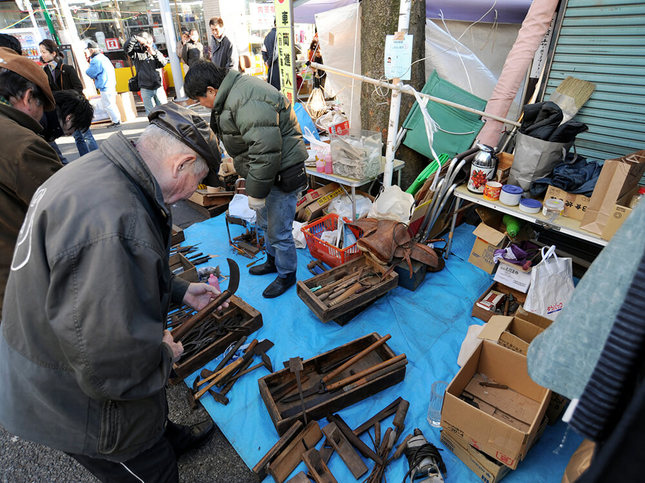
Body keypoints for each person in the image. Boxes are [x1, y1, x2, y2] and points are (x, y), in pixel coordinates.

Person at [0, 103, 223, 482]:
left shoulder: (101, 170)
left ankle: (164, 437)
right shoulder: (115, 223)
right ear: (181, 164)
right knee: (152, 471)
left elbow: (117, 277)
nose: (191, 194)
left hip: (53, 351)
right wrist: (161, 355)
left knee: (151, 433)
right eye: (196, 183)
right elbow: (110, 364)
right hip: (72, 398)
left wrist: (179, 290)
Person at [185, 62, 307, 298]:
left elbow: (265, 150)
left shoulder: (247, 98)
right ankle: (273, 261)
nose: (202, 105)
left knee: (279, 230)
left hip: (281, 170)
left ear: (211, 90)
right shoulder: (232, 95)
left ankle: (287, 275)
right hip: (265, 171)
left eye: (199, 99)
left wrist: (257, 192)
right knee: (265, 224)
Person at [0, 47, 61, 314]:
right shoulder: (21, 143)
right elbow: (68, 215)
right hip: (17, 289)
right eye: (40, 107)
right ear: (27, 97)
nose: (40, 116)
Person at [39, 39, 98, 158]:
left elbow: (78, 87)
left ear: (53, 53)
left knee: (86, 134)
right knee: (77, 137)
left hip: (76, 107)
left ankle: (96, 157)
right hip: (63, 110)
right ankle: (85, 159)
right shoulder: (45, 71)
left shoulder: (67, 68)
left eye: (44, 52)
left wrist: (64, 97)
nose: (42, 55)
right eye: (41, 52)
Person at [40, 90, 94, 160]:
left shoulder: (50, 127)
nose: (73, 132)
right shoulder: (40, 126)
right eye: (76, 127)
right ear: (69, 118)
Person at [125, 31, 168, 114]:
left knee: (164, 110)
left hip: (158, 86)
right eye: (144, 43)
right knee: (151, 112)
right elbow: (126, 47)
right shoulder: (135, 54)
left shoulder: (154, 51)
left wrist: (153, 53)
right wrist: (136, 38)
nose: (147, 45)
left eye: (149, 42)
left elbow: (163, 63)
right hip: (145, 87)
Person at [85, 39, 121, 127]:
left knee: (108, 105)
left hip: (105, 85)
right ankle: (117, 120)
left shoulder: (95, 60)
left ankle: (116, 121)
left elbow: (90, 72)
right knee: (112, 104)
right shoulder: (104, 58)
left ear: (91, 50)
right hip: (111, 84)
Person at [261, 22, 280, 90]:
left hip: (270, 68)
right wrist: (269, 61)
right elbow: (275, 53)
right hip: (277, 67)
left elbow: (263, 50)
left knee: (272, 89)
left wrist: (266, 61)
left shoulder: (267, 36)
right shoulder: (279, 35)